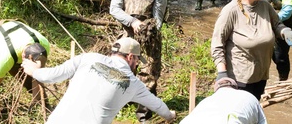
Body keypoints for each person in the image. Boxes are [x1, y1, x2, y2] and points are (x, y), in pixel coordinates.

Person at [21, 37, 176, 124]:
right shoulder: (133, 83)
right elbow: (158, 106)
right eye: (137, 60)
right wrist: (170, 115)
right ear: (130, 57)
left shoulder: (88, 57)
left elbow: (51, 76)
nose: (136, 65)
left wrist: (35, 71)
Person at [211, 0, 292, 101]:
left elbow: (276, 24)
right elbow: (217, 44)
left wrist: (285, 31)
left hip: (261, 75)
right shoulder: (230, 11)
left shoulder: (264, 5)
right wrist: (222, 73)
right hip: (239, 78)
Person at [109, 0, 168, 122]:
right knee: (120, 69)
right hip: (127, 34)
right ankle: (119, 103)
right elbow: (114, 9)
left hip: (150, 36)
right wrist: (132, 21)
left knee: (148, 73)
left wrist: (146, 31)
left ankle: (144, 114)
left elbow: (158, 20)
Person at [0, 20, 51, 124]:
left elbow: (37, 75)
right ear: (24, 57)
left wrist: (35, 100)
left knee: (30, 78)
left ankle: (45, 108)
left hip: (9, 28)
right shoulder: (5, 57)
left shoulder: (44, 45)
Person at [179, 77, 266, 124]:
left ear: (216, 90)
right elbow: (262, 122)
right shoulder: (249, 96)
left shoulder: (205, 101)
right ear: (235, 88)